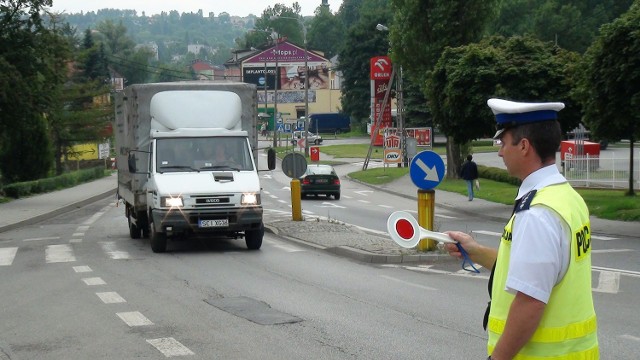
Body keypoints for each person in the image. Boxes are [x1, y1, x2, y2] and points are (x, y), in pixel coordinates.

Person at [444, 98, 599, 359]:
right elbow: (533, 270)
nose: (500, 152)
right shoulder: (567, 197)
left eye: (503, 143)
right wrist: (476, 251)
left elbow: (530, 302)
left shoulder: (537, 213)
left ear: (524, 146)